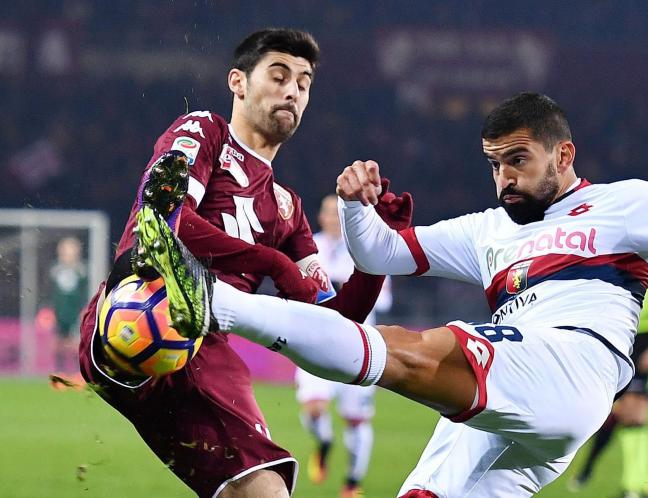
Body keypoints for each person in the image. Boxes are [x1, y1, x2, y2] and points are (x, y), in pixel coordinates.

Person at [134, 92, 648, 498]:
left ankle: (210, 304)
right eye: (492, 162)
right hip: (525, 412)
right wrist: (363, 204)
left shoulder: (626, 204)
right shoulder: (489, 228)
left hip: (571, 366)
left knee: (417, 354)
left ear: (563, 153)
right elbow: (381, 256)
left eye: (517, 159)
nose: (504, 176)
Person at [76, 29, 401, 498]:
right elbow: (165, 216)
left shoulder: (286, 209)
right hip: (140, 311)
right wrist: (270, 261)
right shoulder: (204, 131)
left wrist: (379, 254)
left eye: (304, 83)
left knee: (255, 489)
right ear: (238, 82)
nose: (292, 90)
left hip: (202, 351)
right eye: (278, 75)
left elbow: (338, 324)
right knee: (262, 489)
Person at [295, 195, 393, 497]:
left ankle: (352, 482)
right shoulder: (308, 247)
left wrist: (346, 288)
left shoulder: (367, 250)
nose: (334, 219)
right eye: (328, 213)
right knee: (313, 409)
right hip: (316, 341)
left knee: (356, 420)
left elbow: (385, 300)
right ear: (321, 217)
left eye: (339, 214)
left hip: (359, 346)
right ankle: (323, 442)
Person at [571, 253, 648, 498]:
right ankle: (641, 484)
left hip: (644, 339)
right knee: (623, 411)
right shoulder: (620, 247)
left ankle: (634, 486)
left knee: (634, 409)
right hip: (617, 334)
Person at [49, 236, 88, 373]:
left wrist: (84, 309)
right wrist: (48, 309)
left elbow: (84, 292)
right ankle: (59, 370)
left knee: (75, 343)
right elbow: (50, 292)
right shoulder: (55, 270)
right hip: (59, 312)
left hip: (75, 312)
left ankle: (78, 371)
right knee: (58, 341)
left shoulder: (81, 271)